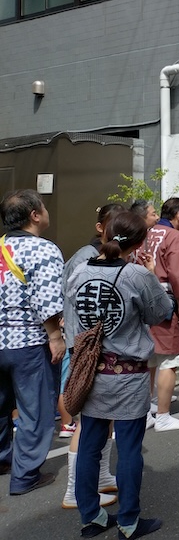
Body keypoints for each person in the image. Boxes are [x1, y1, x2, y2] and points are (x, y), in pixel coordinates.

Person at [66, 211, 174, 538]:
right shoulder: (137, 275)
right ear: (139, 243)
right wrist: (152, 274)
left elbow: (73, 316)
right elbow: (161, 312)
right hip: (128, 374)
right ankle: (128, 521)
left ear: (106, 233)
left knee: (90, 444)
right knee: (128, 449)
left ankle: (92, 517)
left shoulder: (79, 272)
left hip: (91, 371)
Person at [0, 189, 65, 496]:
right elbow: (48, 299)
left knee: (1, 407)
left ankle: (2, 459)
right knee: (34, 411)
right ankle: (25, 476)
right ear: (35, 215)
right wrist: (55, 336)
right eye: (44, 207)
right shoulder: (43, 249)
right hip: (28, 341)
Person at [60, 203, 124, 510]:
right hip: (86, 349)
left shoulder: (102, 256)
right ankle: (74, 490)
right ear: (100, 227)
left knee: (103, 419)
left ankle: (101, 476)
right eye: (114, 225)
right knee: (87, 422)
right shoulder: (86, 256)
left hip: (93, 347)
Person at [138, 197, 179, 431]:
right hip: (165, 300)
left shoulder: (147, 233)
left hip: (142, 300)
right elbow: (178, 274)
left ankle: (146, 411)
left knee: (149, 359)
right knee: (169, 360)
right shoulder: (174, 236)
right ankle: (162, 415)